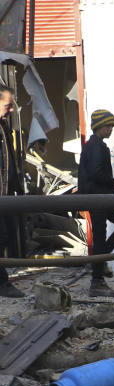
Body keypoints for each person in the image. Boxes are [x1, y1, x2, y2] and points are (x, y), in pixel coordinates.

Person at [78, 109, 114, 297]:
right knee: (101, 237)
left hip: (102, 199)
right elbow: (95, 174)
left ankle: (100, 262)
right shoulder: (96, 147)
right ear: (99, 126)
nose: (111, 130)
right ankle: (97, 282)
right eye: (108, 126)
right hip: (97, 199)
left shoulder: (96, 145)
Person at [0, 86, 24, 298]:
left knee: (6, 236)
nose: (12, 110)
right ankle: (2, 283)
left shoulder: (3, 127)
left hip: (6, 195)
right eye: (8, 105)